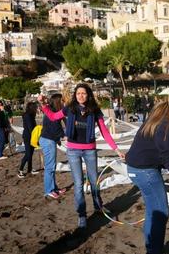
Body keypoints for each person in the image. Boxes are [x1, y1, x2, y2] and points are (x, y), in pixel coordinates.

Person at [38, 83, 124, 228]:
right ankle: (82, 215)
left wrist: (116, 149)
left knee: (94, 181)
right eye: (78, 93)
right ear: (75, 95)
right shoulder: (69, 108)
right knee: (78, 184)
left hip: (90, 150)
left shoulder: (95, 110)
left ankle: (98, 207)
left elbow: (104, 131)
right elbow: (53, 117)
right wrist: (43, 104)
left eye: (83, 93)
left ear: (88, 94)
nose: (81, 96)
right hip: (73, 151)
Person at [126, 84, 169, 254]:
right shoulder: (167, 123)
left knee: (153, 209)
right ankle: (154, 250)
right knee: (161, 211)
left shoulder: (162, 110)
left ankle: (152, 248)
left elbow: (154, 146)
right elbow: (168, 159)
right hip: (144, 170)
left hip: (137, 166)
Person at [39, 93, 66, 199]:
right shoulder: (52, 111)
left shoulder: (54, 110)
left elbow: (57, 126)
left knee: (52, 166)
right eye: (62, 100)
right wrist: (63, 136)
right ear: (58, 102)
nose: (64, 102)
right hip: (47, 140)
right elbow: (55, 127)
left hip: (50, 140)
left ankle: (54, 188)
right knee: (50, 166)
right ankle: (48, 190)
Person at [18, 101, 39, 178]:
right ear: (32, 108)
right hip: (28, 137)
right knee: (28, 154)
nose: (36, 108)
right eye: (35, 107)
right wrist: (36, 136)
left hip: (31, 136)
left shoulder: (31, 115)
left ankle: (29, 169)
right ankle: (20, 170)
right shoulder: (28, 115)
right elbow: (31, 128)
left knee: (31, 154)